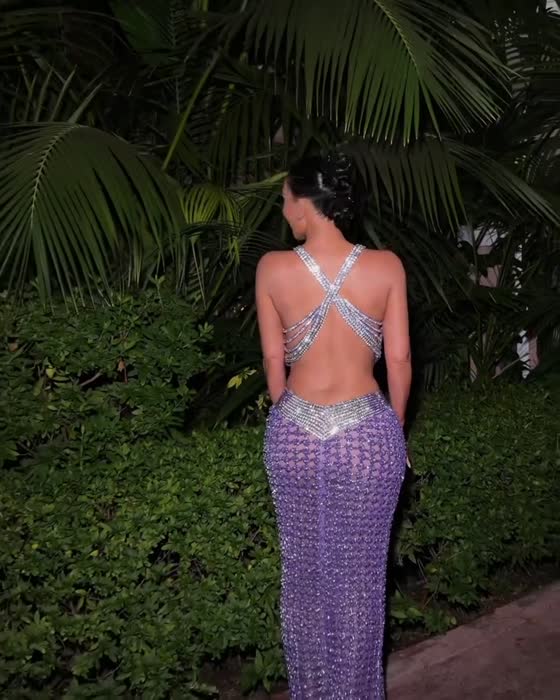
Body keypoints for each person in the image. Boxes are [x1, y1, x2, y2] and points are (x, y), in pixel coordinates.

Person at [255, 151, 411, 699]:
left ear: (303, 204)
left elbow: (273, 361)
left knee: (303, 581)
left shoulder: (272, 268)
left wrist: (290, 415)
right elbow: (399, 361)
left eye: (284, 200)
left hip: (294, 435)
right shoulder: (386, 266)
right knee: (360, 585)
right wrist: (394, 432)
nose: (282, 210)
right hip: (366, 436)